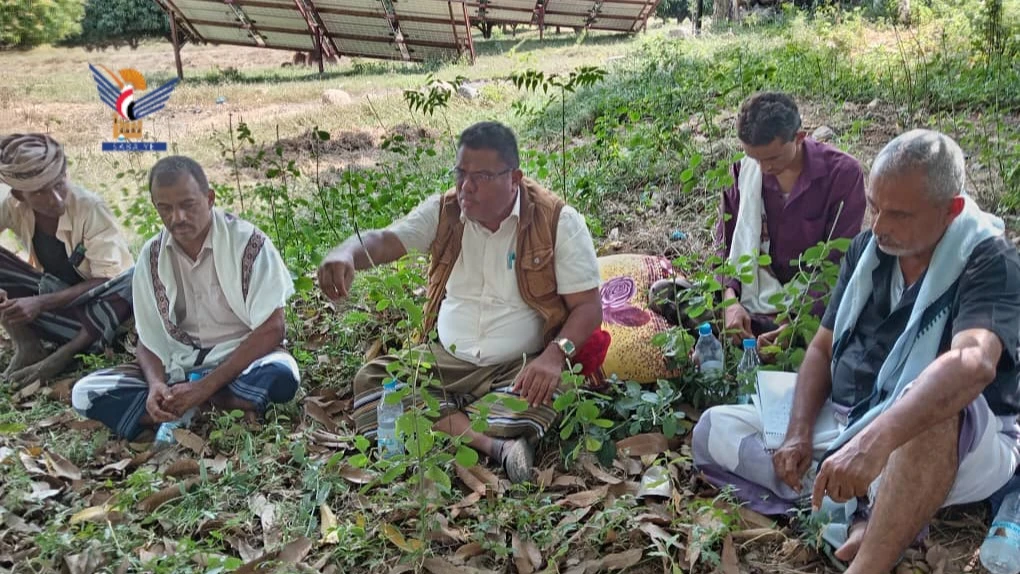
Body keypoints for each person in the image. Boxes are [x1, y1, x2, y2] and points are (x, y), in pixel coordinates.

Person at [691, 129, 1020, 574]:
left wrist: (877, 440)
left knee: (929, 410)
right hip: (847, 422)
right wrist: (798, 432)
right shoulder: (868, 252)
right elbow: (823, 347)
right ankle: (865, 506)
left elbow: (975, 363)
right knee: (713, 431)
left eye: (899, 214)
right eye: (874, 206)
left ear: (951, 211)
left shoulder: (987, 260)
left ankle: (869, 549)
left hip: (952, 441)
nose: (880, 225)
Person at [318, 121, 603, 483]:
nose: (466, 187)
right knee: (375, 378)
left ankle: (441, 421)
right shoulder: (445, 213)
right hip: (446, 361)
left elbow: (589, 307)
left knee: (559, 386)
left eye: (481, 176)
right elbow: (385, 240)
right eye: (461, 173)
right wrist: (345, 252)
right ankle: (494, 445)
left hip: (517, 366)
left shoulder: (557, 221)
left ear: (514, 177)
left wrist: (554, 356)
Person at [71, 156, 300, 440]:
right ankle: (209, 407)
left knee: (281, 374)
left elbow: (273, 328)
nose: (177, 217)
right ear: (155, 207)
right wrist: (156, 386)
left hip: (240, 361)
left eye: (187, 205)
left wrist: (204, 387)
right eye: (165, 208)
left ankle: (198, 406)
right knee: (85, 393)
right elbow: (148, 339)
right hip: (178, 369)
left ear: (209, 198)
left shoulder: (247, 242)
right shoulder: (151, 257)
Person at [650, 92, 866, 351]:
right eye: (755, 158)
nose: (763, 169)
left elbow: (838, 264)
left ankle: (778, 345)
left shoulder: (842, 174)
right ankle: (747, 339)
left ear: (799, 138)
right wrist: (730, 303)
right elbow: (724, 250)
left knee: (851, 327)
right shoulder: (742, 172)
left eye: (772, 158)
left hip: (811, 310)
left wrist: (794, 323)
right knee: (664, 292)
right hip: (749, 303)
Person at [0, 133, 134, 385]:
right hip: (61, 315)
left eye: (59, 183)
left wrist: (40, 303)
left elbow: (109, 279)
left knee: (131, 281)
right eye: (41, 192)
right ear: (20, 195)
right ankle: (27, 345)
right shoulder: (12, 205)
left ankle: (61, 357)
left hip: (104, 321)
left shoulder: (89, 208)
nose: (57, 199)